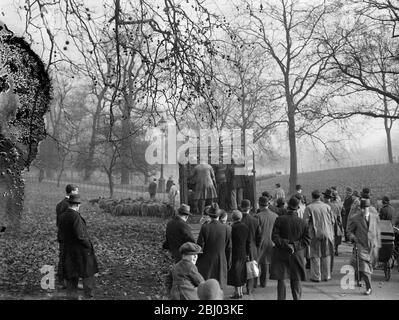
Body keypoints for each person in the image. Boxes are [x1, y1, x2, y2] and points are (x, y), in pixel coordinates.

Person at [270, 197, 311, 300]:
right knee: (296, 279)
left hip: (281, 252)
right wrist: (295, 245)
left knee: (282, 279)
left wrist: (286, 244)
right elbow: (307, 239)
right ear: (297, 208)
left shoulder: (280, 219)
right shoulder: (302, 222)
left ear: (287, 206)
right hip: (297, 254)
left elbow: (274, 237)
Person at [58, 194, 99, 299]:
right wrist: (88, 245)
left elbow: (60, 235)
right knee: (88, 273)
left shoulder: (62, 216)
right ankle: (88, 296)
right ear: (77, 205)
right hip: (80, 251)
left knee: (71, 276)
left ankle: (72, 297)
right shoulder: (75, 216)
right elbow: (80, 235)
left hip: (68, 250)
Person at [347, 198, 381, 295]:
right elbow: (349, 231)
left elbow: (378, 231)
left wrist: (378, 245)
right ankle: (369, 288)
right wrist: (353, 238)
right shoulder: (355, 218)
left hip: (372, 247)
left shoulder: (375, 217)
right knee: (364, 268)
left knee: (369, 267)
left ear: (369, 207)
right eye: (362, 208)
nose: (363, 210)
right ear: (360, 208)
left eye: (365, 208)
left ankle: (361, 278)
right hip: (361, 246)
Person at [196, 204, 232, 290]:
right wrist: (228, 261)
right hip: (221, 260)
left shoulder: (205, 227)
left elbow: (199, 245)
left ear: (209, 215)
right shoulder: (227, 228)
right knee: (219, 287)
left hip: (207, 260)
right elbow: (229, 247)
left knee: (208, 287)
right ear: (218, 215)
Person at [303, 190, 334, 282]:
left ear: (312, 197)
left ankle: (316, 276)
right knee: (326, 254)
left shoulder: (309, 207)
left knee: (315, 255)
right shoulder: (327, 206)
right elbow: (332, 221)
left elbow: (305, 222)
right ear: (320, 197)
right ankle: (326, 275)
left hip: (315, 234)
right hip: (327, 233)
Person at [56, 184, 79, 288]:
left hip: (63, 235)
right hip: (67, 236)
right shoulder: (67, 205)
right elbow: (66, 221)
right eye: (76, 191)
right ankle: (64, 281)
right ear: (72, 192)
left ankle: (65, 281)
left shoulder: (60, 203)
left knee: (64, 257)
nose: (78, 193)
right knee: (66, 258)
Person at [256, 196, 278, 288]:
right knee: (266, 263)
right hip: (272, 241)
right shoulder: (275, 215)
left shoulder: (258, 216)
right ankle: (264, 282)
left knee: (257, 263)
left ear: (259, 204)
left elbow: (257, 231)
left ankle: (254, 283)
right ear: (268, 204)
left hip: (261, 242)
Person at [240, 199, 261, 294]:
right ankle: (249, 288)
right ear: (251, 208)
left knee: (240, 267)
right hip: (252, 247)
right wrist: (256, 246)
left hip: (240, 247)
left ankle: (240, 288)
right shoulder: (255, 220)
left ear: (240, 207)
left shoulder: (239, 220)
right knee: (251, 267)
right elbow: (259, 236)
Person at [227, 210, 250, 299]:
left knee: (236, 272)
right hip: (243, 251)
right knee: (241, 272)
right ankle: (240, 292)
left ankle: (237, 292)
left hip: (234, 252)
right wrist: (247, 253)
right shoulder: (245, 227)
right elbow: (248, 241)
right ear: (240, 217)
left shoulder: (232, 227)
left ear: (232, 218)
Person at [329, 189, 344, 257]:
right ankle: (336, 250)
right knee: (337, 236)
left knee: (331, 236)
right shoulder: (339, 204)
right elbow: (343, 212)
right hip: (338, 222)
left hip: (330, 222)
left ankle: (332, 250)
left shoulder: (329, 205)